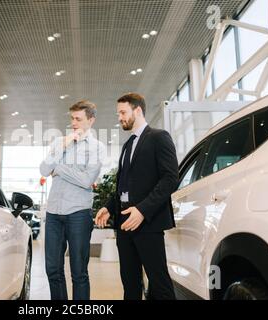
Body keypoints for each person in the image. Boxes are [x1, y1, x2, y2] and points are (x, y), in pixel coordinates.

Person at [95, 93, 178, 300]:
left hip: (148, 223)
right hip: (124, 225)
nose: (120, 117)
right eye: (118, 114)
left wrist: (142, 210)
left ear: (138, 110)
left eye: (123, 112)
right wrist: (109, 207)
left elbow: (170, 179)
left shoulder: (159, 137)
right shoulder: (127, 145)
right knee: (129, 283)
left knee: (159, 283)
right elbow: (123, 186)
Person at [40, 100, 106, 300]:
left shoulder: (97, 148)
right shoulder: (59, 142)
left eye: (78, 119)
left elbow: (87, 181)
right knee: (53, 269)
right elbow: (44, 170)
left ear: (91, 120)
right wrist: (63, 146)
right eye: (72, 118)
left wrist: (58, 169)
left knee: (78, 272)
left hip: (78, 214)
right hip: (53, 214)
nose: (73, 123)